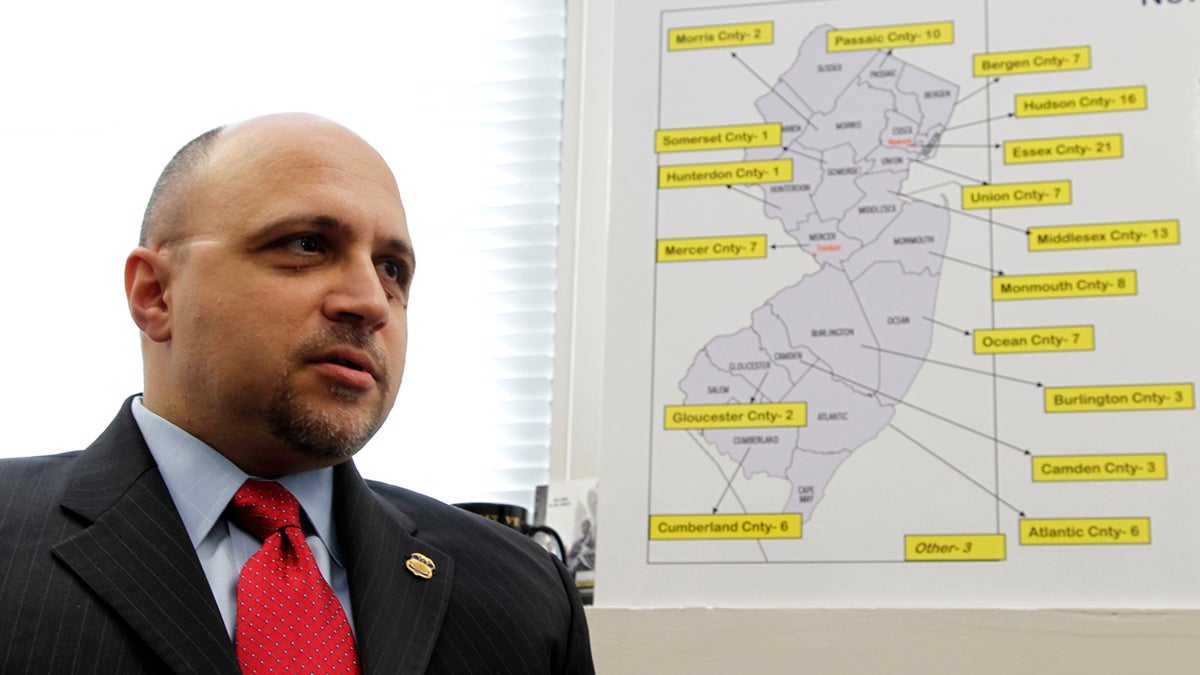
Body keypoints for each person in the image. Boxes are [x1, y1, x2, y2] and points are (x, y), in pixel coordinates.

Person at [0, 113, 594, 674]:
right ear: (156, 294)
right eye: (307, 245)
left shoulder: (524, 596)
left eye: (392, 269)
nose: (368, 301)